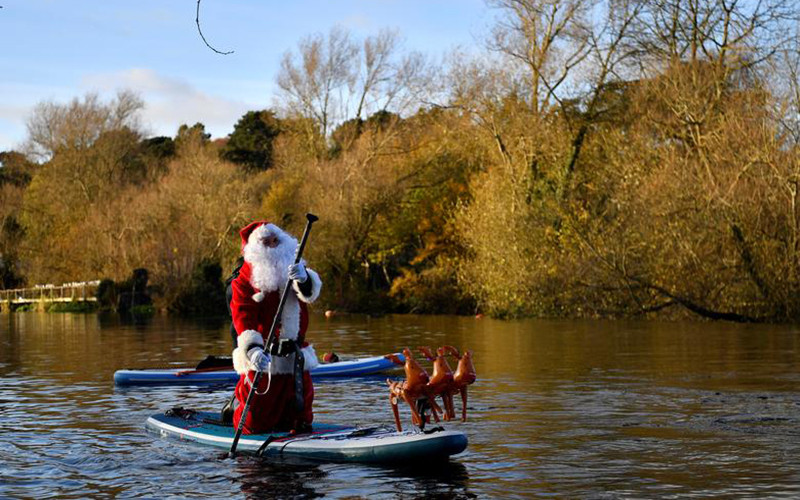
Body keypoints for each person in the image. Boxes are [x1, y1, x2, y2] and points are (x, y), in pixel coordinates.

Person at [229, 220, 322, 434]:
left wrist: (305, 279)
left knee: (301, 416)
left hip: (295, 358)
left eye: (276, 240)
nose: (273, 245)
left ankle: (298, 432)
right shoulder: (243, 281)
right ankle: (234, 411)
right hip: (264, 357)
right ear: (255, 248)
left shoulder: (295, 269)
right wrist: (252, 350)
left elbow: (309, 295)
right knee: (254, 420)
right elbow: (243, 317)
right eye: (266, 242)